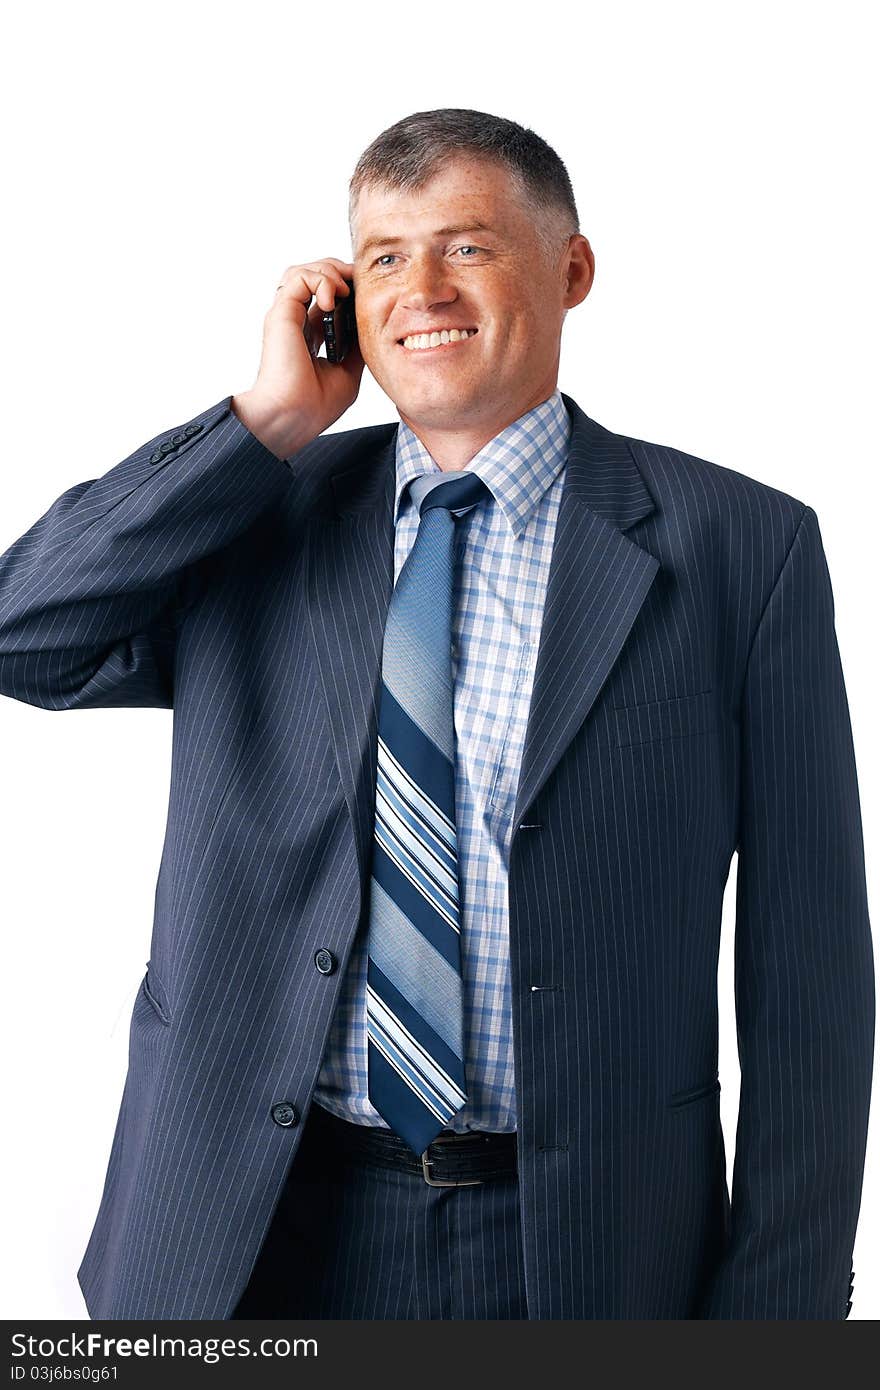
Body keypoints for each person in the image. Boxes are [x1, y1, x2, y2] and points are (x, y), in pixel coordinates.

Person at [0, 108, 872, 1321]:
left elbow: (810, 975)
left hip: (589, 1244)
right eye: (384, 257)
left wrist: (778, 1315)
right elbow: (23, 634)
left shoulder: (741, 547)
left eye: (466, 247)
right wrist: (262, 424)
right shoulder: (256, 515)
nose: (421, 289)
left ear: (569, 270)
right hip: (252, 1231)